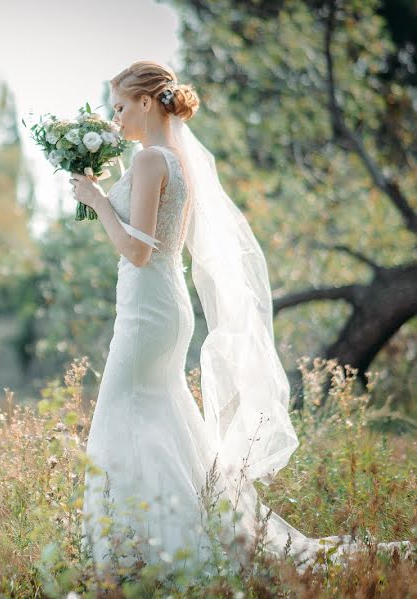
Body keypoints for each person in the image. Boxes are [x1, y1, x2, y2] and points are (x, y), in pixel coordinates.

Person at [69, 60, 408, 573]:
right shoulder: (173, 158)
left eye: (119, 107)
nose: (115, 119)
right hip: (166, 304)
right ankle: (171, 538)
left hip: (145, 307)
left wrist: (95, 200)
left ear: (144, 101)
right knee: (161, 417)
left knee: (122, 416)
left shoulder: (148, 161)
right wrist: (103, 192)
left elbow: (136, 251)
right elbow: (150, 236)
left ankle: (145, 552)